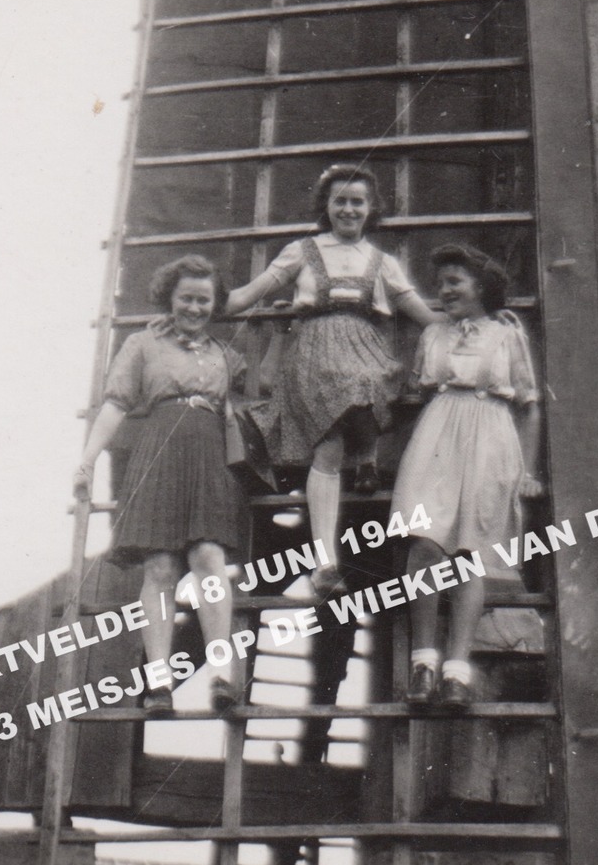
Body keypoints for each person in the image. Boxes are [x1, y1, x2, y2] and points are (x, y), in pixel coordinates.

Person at [224, 164, 441, 596]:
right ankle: (327, 561)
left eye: (357, 201)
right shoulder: (301, 251)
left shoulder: (382, 262)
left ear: (370, 208)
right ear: (326, 205)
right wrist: (205, 302)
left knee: (368, 380)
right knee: (330, 440)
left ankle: (365, 452)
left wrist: (469, 323)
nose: (348, 209)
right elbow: (250, 294)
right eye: (339, 200)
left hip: (365, 348)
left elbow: (422, 313)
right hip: (312, 354)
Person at [73, 254, 246, 716]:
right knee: (161, 569)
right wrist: (87, 461)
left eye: (204, 300)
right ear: (170, 297)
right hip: (159, 450)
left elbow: (259, 390)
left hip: (208, 452)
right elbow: (115, 404)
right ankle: (160, 683)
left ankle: (221, 676)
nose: (194, 307)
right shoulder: (143, 344)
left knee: (208, 558)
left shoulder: (226, 355)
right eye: (186, 297)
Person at [390, 244, 544, 710]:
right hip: (437, 434)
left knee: (469, 554)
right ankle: (423, 663)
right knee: (423, 544)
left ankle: (457, 671)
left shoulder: (506, 335)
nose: (444, 290)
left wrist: (528, 472)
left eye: (454, 281)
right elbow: (414, 395)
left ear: (481, 286)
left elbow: (530, 405)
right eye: (440, 284)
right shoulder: (434, 335)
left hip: (491, 437)